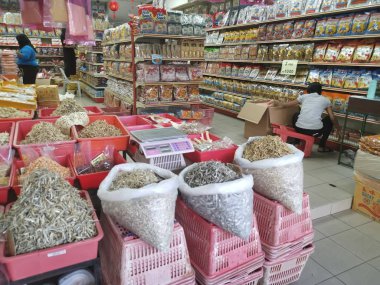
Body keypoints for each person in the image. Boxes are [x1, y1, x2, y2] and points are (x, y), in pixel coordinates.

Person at [269, 82, 341, 153]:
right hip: (315, 132)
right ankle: (321, 147)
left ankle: (297, 142)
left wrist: (276, 102)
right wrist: (338, 129)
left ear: (308, 89)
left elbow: (286, 105)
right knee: (329, 119)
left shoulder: (303, 97)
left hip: (299, 129)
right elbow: (332, 118)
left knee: (296, 114)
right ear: (320, 91)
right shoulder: (325, 100)